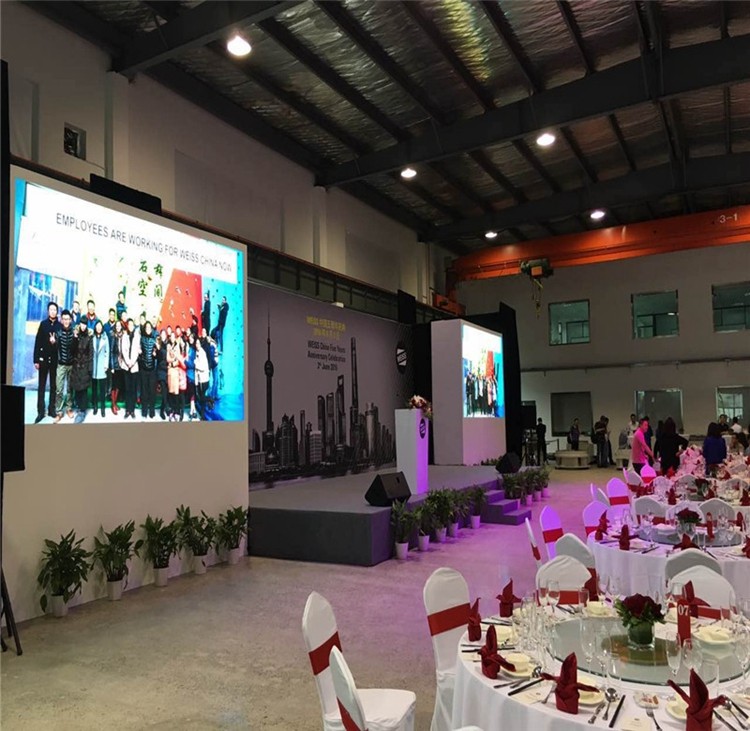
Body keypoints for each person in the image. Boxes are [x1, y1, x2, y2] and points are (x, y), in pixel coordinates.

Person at [33, 301, 61, 422]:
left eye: (55, 310)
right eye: (51, 310)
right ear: (48, 311)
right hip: (43, 359)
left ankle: (51, 409)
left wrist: (55, 342)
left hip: (54, 360)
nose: (53, 312)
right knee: (42, 386)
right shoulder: (43, 324)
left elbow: (61, 344)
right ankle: (40, 411)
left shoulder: (59, 326)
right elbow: (37, 341)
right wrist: (36, 360)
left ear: (57, 312)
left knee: (53, 386)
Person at [53, 309, 75, 422]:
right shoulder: (57, 333)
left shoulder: (74, 332)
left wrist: (76, 337)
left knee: (70, 388)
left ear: (70, 320)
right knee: (59, 389)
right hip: (61, 365)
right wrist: (53, 342)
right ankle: (59, 411)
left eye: (68, 319)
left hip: (71, 365)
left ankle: (69, 408)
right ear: (61, 320)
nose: (66, 321)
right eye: (64, 319)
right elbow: (54, 349)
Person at [70, 318, 92, 422]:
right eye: (82, 324)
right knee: (77, 388)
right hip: (76, 366)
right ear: (79, 325)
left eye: (85, 324)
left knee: (83, 389)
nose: (83, 326)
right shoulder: (76, 335)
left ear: (87, 325)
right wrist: (74, 338)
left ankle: (83, 411)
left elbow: (91, 353)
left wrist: (90, 368)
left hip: (85, 366)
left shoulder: (89, 336)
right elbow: (72, 350)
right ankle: (78, 407)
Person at [119, 318, 141, 419]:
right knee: (127, 389)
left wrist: (132, 362)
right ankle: (127, 410)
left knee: (133, 389)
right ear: (127, 326)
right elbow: (123, 350)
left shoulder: (137, 336)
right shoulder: (124, 336)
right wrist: (128, 362)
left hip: (134, 366)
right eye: (129, 325)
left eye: (132, 325)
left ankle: (132, 410)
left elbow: (137, 351)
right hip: (126, 366)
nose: (131, 326)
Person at [91, 320, 109, 418]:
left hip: (102, 366)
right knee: (94, 389)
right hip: (94, 366)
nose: (99, 328)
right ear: (95, 327)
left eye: (100, 326)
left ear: (102, 327)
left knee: (102, 389)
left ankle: (102, 408)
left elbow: (107, 352)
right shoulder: (92, 337)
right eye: (97, 326)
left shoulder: (105, 337)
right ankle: (95, 406)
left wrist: (106, 365)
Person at [139, 320, 157, 418]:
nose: (148, 329)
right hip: (143, 369)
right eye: (146, 327)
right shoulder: (141, 339)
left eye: (149, 327)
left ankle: (152, 410)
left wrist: (155, 354)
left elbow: (158, 354)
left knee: (152, 391)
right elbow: (139, 352)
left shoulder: (155, 340)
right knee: (144, 390)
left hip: (152, 369)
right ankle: (144, 410)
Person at [109, 320, 124, 415]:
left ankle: (115, 403)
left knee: (118, 385)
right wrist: (112, 366)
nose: (118, 327)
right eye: (117, 326)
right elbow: (111, 352)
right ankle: (113, 405)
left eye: (119, 326)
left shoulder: (123, 336)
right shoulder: (113, 336)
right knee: (114, 386)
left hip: (121, 365)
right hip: (115, 364)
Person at [155, 329, 169, 420]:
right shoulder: (158, 345)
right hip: (160, 370)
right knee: (164, 390)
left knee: (166, 391)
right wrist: (158, 349)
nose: (163, 335)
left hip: (167, 369)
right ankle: (165, 409)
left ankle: (163, 408)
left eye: (164, 334)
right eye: (162, 334)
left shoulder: (168, 345)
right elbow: (157, 357)